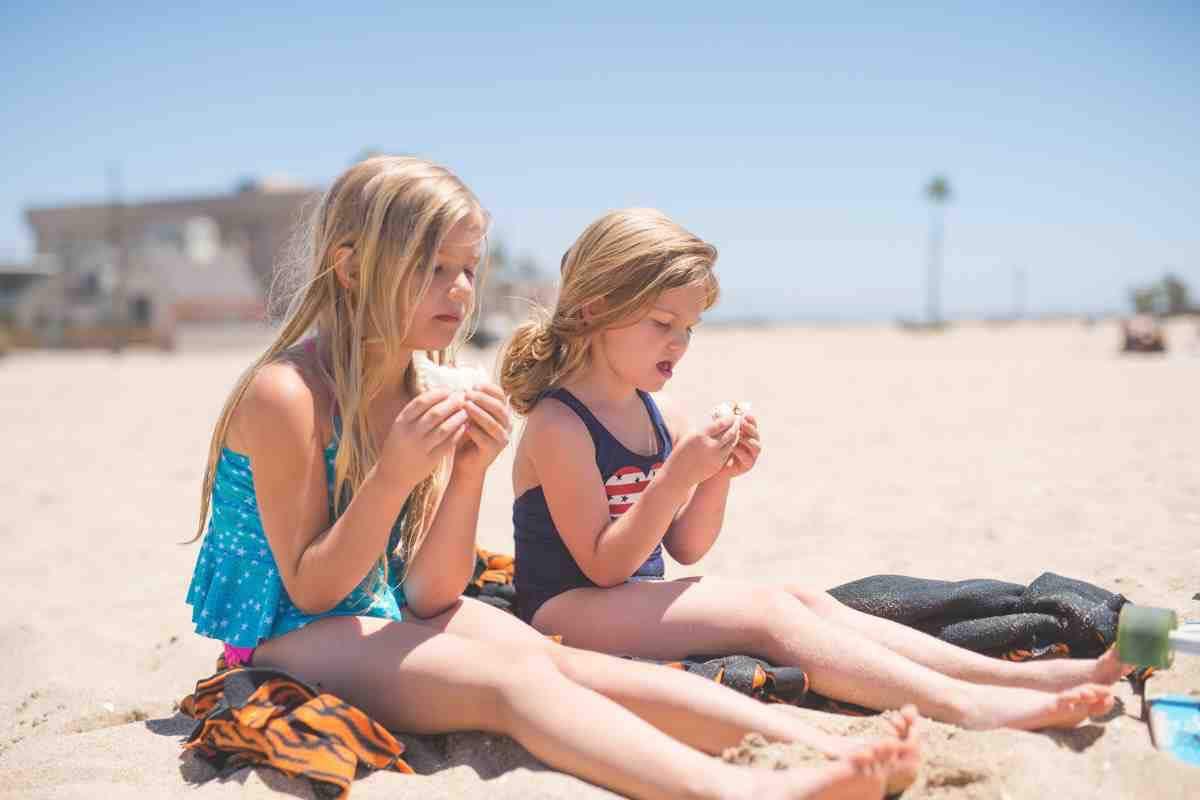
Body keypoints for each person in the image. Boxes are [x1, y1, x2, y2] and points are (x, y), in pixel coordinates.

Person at [184, 157, 919, 800]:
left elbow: (430, 592)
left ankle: (826, 749)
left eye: (469, 267)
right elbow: (313, 590)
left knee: (565, 666)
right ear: (350, 267)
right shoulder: (288, 394)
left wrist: (468, 473)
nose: (460, 288)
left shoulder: (425, 385)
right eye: (433, 268)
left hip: (384, 608)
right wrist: (395, 475)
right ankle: (739, 789)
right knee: (516, 686)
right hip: (287, 636)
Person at [499, 207, 1125, 732]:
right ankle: (967, 706)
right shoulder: (560, 422)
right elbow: (604, 565)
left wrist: (717, 477)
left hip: (627, 597)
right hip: (565, 610)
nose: (679, 344)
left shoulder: (658, 412)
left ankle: (1006, 675)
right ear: (593, 310)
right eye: (662, 324)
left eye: (689, 328)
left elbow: (687, 547)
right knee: (766, 618)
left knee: (797, 598)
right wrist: (680, 476)